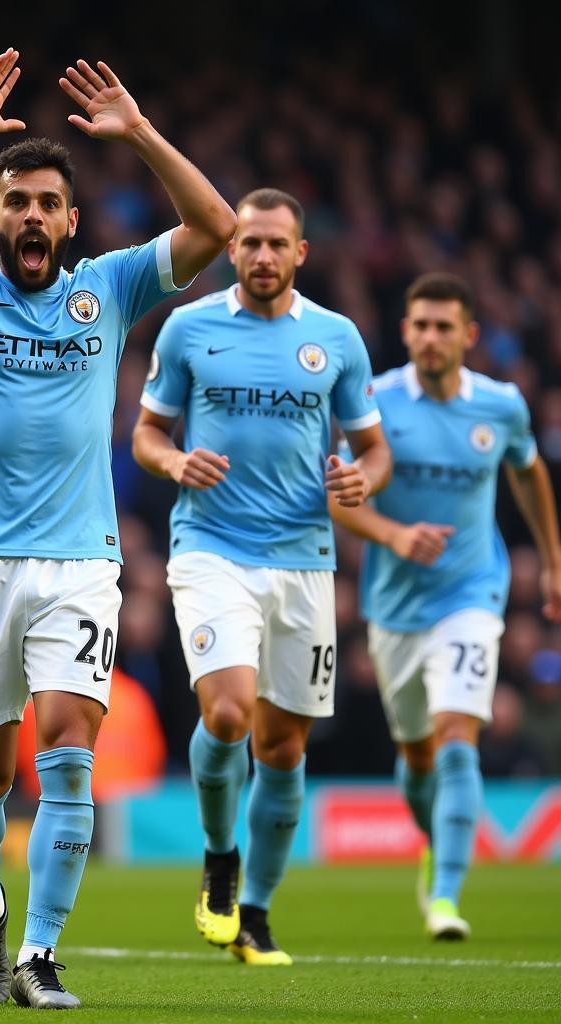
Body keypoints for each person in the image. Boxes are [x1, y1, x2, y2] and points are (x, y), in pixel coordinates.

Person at [0, 49, 235, 1009]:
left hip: (81, 561)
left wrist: (142, 131)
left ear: (71, 222)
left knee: (67, 753)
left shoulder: (109, 287)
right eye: (16, 202)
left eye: (48, 203)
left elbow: (218, 227)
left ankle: (37, 955)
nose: (33, 216)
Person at [134, 188, 391, 966]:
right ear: (232, 249)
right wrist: (177, 459)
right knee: (229, 713)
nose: (262, 256)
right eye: (248, 243)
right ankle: (219, 857)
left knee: (282, 750)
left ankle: (257, 915)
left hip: (304, 562)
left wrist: (364, 481)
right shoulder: (190, 327)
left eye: (277, 244)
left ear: (300, 254)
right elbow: (146, 433)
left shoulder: (337, 339)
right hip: (211, 549)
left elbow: (373, 450)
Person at [329, 272, 561, 939]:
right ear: (406, 332)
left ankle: (447, 898)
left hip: (471, 594)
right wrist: (395, 535)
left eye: (443, 327)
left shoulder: (502, 406)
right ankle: (435, 841)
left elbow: (528, 471)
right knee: (420, 757)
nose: (431, 338)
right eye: (420, 326)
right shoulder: (375, 403)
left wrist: (551, 561)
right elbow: (340, 498)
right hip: (396, 607)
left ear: (468, 335)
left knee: (458, 739)